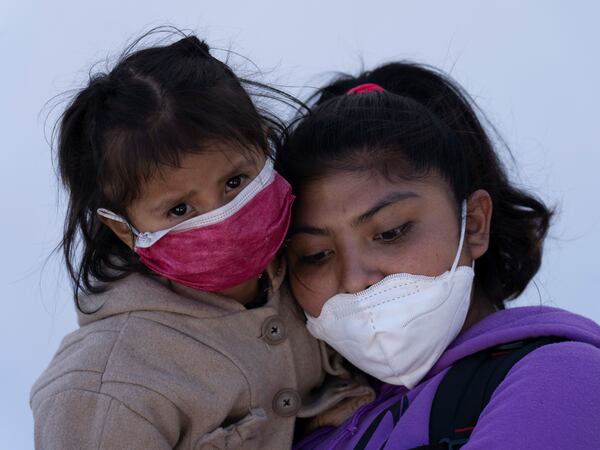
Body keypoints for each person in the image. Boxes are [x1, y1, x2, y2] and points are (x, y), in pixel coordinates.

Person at [30, 33, 370, 450]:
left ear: (263, 147)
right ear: (124, 229)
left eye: (234, 181)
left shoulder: (314, 269)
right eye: (179, 209)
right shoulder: (109, 386)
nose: (221, 216)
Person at [277, 63, 600, 449]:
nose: (353, 279)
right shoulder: (283, 426)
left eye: (391, 232)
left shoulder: (559, 377)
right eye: (316, 255)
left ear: (476, 222)